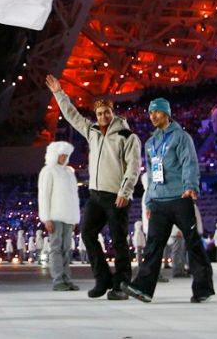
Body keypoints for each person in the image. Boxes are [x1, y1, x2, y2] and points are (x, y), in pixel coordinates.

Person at [46, 75, 141, 301]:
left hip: (116, 195)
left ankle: (122, 283)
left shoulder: (127, 135)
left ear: (113, 111)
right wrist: (59, 94)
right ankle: (103, 279)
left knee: (119, 241)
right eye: (99, 114)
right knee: (88, 234)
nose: (103, 116)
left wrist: (125, 192)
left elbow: (134, 166)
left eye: (106, 112)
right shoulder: (92, 131)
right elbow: (72, 116)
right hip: (96, 195)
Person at [122, 98, 214, 304]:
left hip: (180, 197)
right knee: (153, 246)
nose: (153, 116)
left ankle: (203, 288)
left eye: (157, 112)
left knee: (193, 243)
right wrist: (149, 200)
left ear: (167, 114)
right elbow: (152, 174)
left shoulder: (181, 137)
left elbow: (189, 162)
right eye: (150, 112)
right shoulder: (151, 142)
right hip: (159, 201)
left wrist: (191, 186)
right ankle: (143, 288)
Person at [38, 141, 81, 291]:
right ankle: (58, 280)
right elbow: (44, 195)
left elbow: (73, 197)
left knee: (66, 249)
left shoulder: (69, 172)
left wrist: (74, 217)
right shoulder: (48, 171)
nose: (64, 157)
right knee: (56, 248)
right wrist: (46, 217)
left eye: (66, 155)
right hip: (55, 215)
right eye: (61, 155)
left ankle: (66, 279)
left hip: (68, 216)